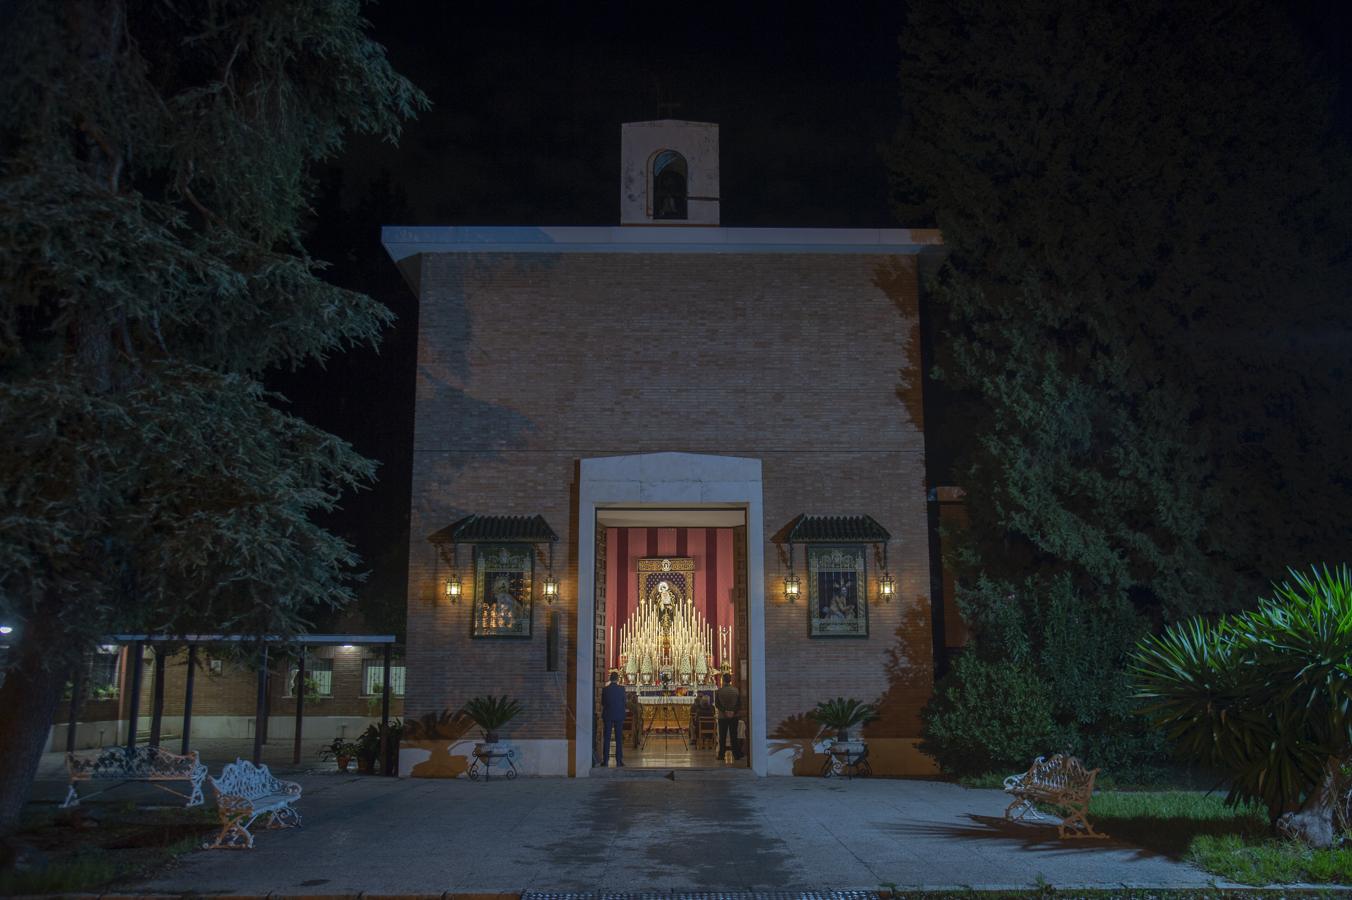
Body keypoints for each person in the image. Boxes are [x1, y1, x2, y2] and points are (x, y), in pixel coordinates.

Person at [601, 670, 627, 766]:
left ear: (610, 679)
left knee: (607, 738)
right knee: (618, 738)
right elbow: (624, 702)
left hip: (608, 715)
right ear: (617, 679)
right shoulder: (622, 689)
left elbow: (603, 702)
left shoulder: (605, 689)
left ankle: (605, 760)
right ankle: (619, 760)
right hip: (619, 715)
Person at [715, 673, 742, 762]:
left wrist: (725, 711)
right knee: (734, 736)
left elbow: (717, 704)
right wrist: (733, 711)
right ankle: (736, 754)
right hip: (734, 716)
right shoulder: (736, 690)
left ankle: (721, 755)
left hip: (723, 717)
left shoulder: (719, 691)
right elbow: (739, 704)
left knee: (722, 737)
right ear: (730, 680)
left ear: (723, 680)